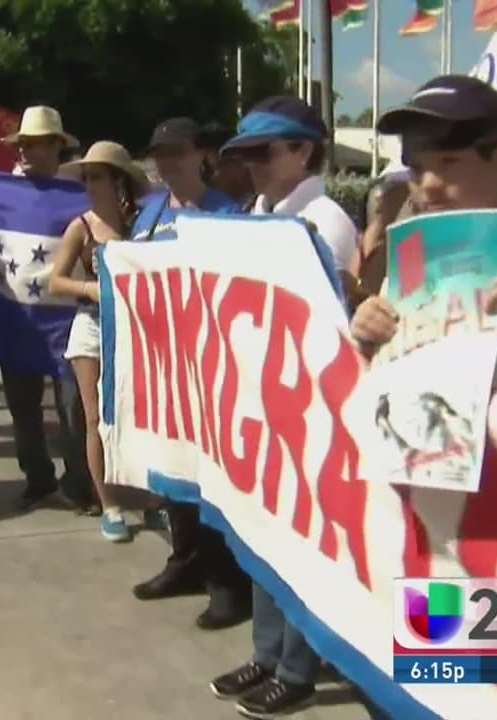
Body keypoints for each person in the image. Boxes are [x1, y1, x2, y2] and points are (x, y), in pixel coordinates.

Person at [210, 95, 361, 718]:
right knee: (263, 536)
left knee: (303, 546)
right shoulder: (261, 215)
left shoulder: (325, 221)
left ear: (303, 151)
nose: (252, 167)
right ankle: (268, 653)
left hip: (309, 409)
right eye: (245, 155)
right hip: (262, 401)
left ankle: (298, 668)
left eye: (264, 153)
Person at [128, 116, 253, 631]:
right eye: (160, 154)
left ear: (203, 154)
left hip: (210, 366)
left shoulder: (228, 214)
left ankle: (227, 583)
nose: (168, 162)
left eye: (178, 152)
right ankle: (184, 562)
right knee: (171, 470)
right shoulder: (149, 212)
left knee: (212, 479)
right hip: (160, 364)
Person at [349, 76, 497, 356]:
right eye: (416, 168)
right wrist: (368, 339)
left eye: (449, 162)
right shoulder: (410, 257)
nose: (429, 184)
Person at [48, 141, 152, 541]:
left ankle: (149, 499)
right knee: (95, 418)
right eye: (86, 177)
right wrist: (89, 288)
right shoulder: (82, 226)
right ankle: (109, 504)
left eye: (97, 177)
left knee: (139, 415)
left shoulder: (143, 224)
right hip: (92, 325)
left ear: (118, 181)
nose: (90, 185)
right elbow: (56, 281)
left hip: (137, 328)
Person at [0, 105, 93, 512]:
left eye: (34, 143)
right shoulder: (1, 195)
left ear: (57, 146)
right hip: (17, 320)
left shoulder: (80, 196)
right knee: (22, 407)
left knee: (73, 408)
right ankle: (37, 480)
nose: (24, 150)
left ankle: (80, 483)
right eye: (21, 144)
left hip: (68, 320)